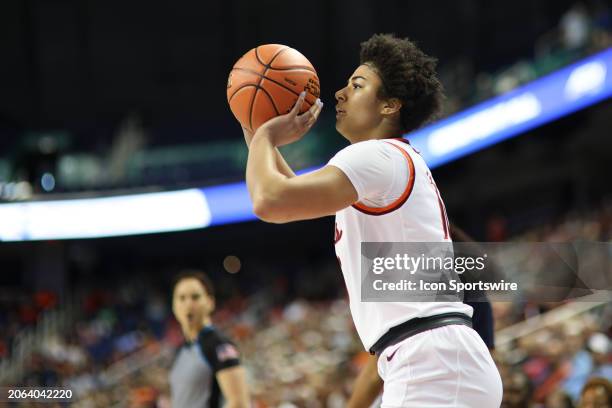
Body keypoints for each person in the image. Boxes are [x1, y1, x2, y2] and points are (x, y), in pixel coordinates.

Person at [242, 33, 502, 406]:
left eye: (357, 85)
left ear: (390, 106)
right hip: (435, 358)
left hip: (432, 362)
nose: (339, 94)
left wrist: (265, 135)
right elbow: (287, 191)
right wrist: (258, 137)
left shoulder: (376, 157)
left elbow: (269, 201)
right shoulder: (385, 163)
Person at [169, 270, 249, 408]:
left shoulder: (219, 345)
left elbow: (239, 403)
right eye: (181, 298)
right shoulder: (180, 350)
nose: (188, 304)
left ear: (210, 302)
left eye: (195, 297)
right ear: (174, 306)